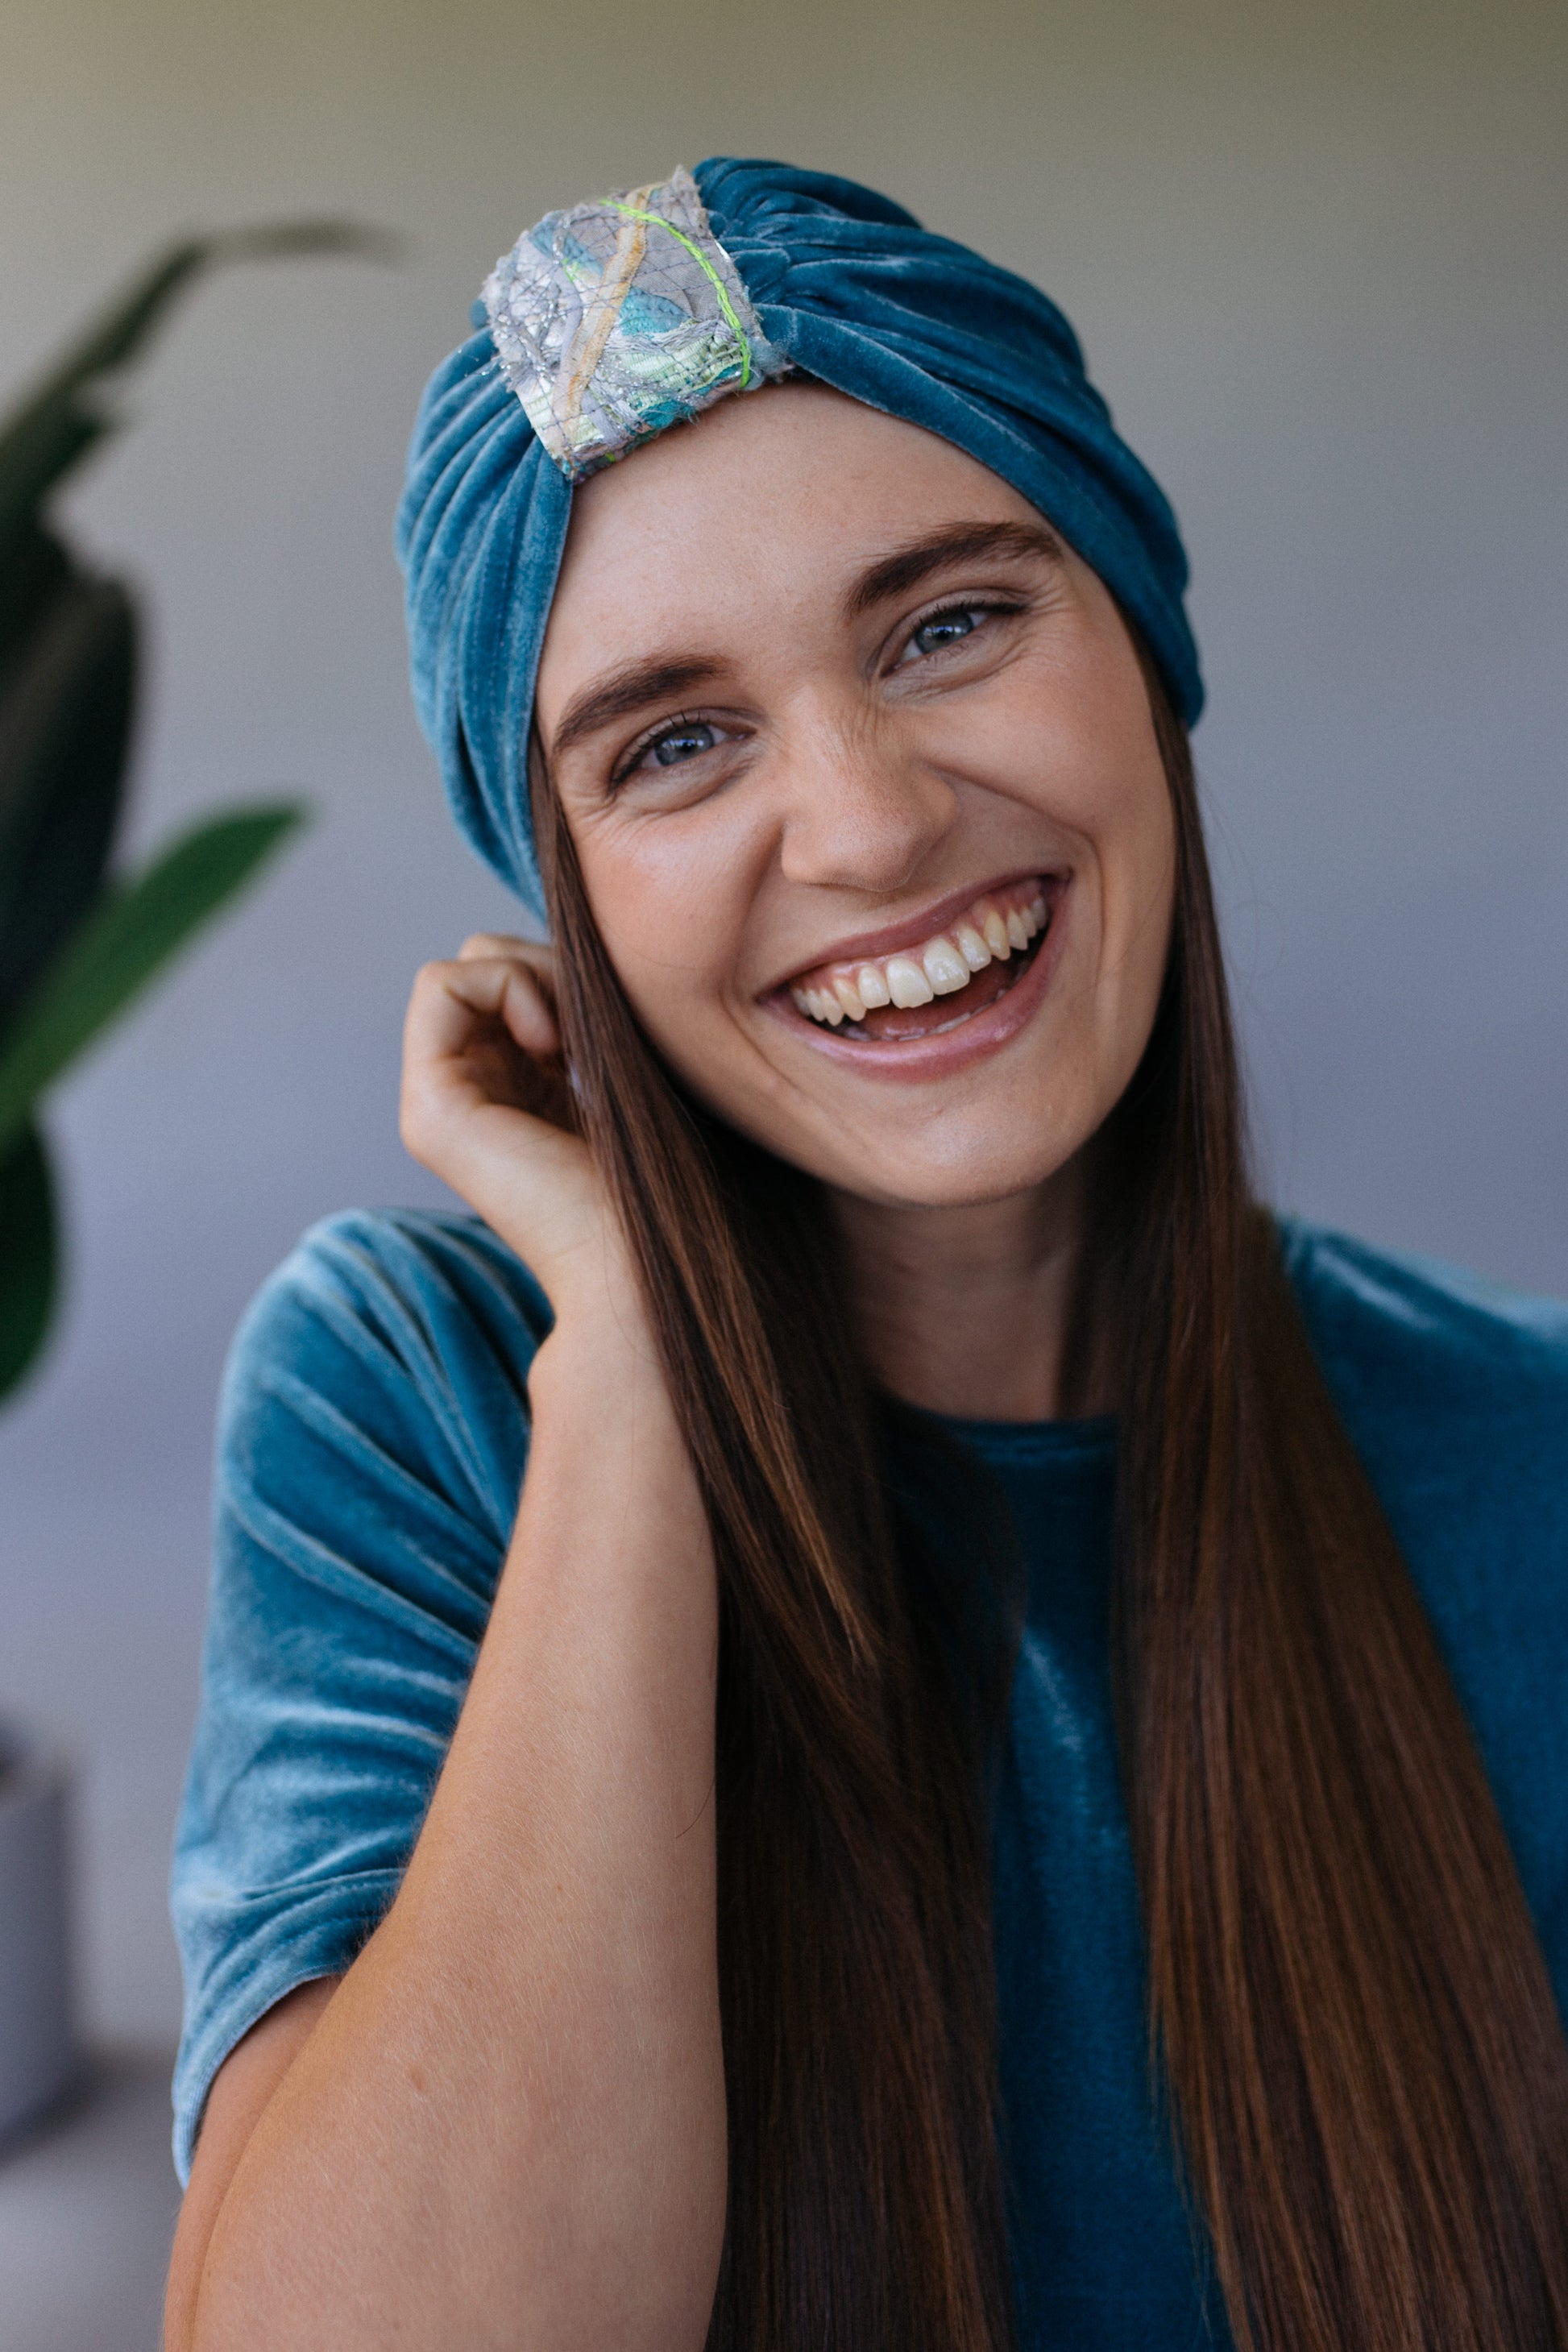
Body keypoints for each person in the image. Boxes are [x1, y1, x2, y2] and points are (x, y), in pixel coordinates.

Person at [162, 161, 1568, 2352]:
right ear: (574, 899)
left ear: (1143, 660)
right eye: (678, 743)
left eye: (946, 625)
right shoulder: (423, 1391)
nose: (870, 820)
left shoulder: (1532, 1448)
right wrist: (631, 1365)